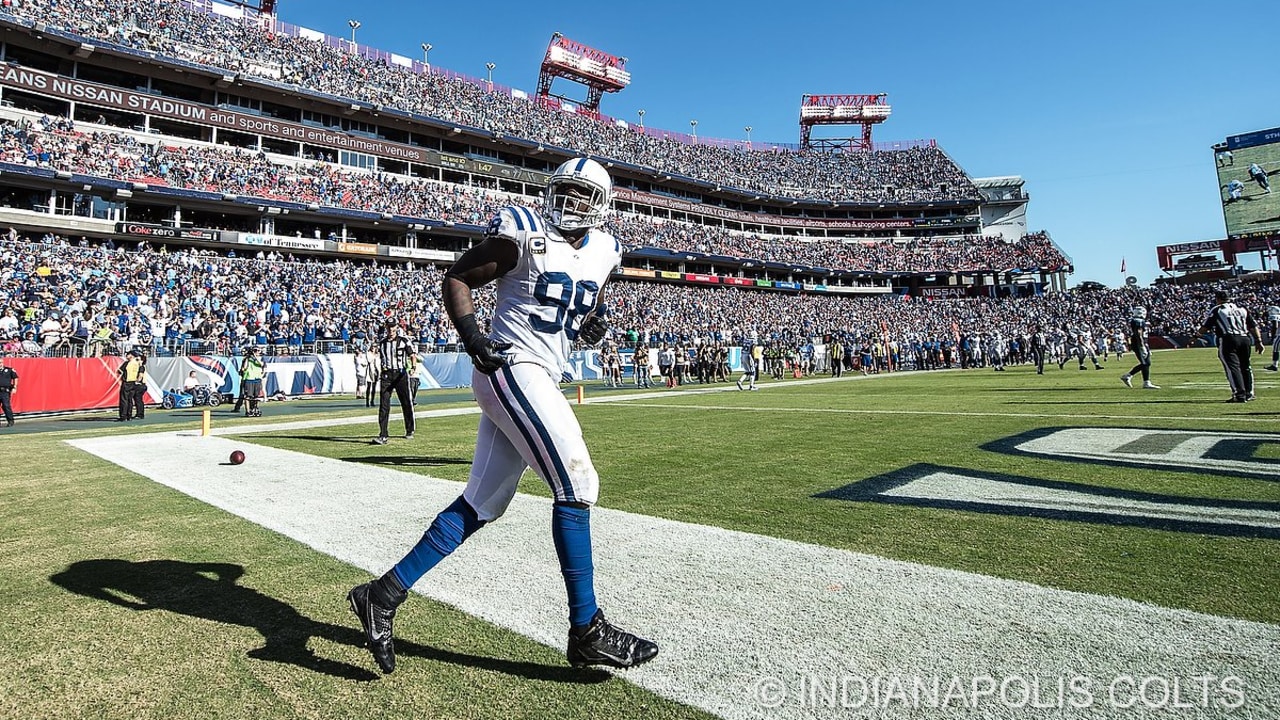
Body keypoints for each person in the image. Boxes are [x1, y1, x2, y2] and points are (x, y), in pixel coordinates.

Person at [347, 157, 657, 675]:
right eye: (565, 192)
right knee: (579, 485)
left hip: (539, 372)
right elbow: (458, 278)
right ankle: (586, 629)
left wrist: (593, 326)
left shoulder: (605, 250)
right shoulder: (525, 233)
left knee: (483, 503)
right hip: (510, 363)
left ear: (601, 207)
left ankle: (382, 594)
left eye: (582, 196)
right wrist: (473, 337)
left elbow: (586, 307)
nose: (571, 203)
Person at [1197, 289, 1264, 402]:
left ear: (1218, 299)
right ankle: (1249, 392)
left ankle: (1239, 394)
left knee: (1232, 367)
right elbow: (1253, 326)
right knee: (1246, 366)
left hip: (1229, 339)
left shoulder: (1218, 309)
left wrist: (1196, 335)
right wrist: (1258, 341)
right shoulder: (1241, 309)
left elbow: (1206, 326)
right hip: (1245, 338)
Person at [371, 317, 416, 444]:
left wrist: (413, 367)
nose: (391, 329)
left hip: (400, 374)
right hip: (386, 375)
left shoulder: (403, 341)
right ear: (386, 328)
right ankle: (383, 434)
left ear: (396, 327)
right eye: (389, 327)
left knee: (406, 402)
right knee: (384, 405)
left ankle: (409, 428)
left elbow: (412, 355)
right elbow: (380, 358)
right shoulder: (383, 343)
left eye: (393, 326)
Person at [1119, 306, 1159, 390]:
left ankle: (1131, 377)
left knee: (1146, 363)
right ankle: (1143, 381)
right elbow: (1138, 334)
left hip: (1142, 343)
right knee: (1145, 363)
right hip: (1138, 344)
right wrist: (1142, 346)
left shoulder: (1138, 321)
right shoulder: (1138, 321)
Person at [115, 350, 145, 422]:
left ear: (131, 355)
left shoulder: (127, 363)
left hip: (127, 382)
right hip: (134, 383)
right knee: (130, 400)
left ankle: (123, 416)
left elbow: (119, 371)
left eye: (127, 354)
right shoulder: (138, 364)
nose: (126, 356)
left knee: (124, 400)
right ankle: (129, 415)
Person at [239, 347, 265, 417]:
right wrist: (248, 357)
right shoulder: (247, 359)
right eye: (255, 351)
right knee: (248, 396)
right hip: (249, 378)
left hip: (257, 378)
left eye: (258, 351)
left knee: (256, 396)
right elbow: (244, 368)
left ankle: (254, 408)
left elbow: (262, 365)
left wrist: (255, 357)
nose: (256, 352)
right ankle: (248, 411)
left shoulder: (261, 358)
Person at [0, 355, 17, 427]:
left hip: (4, 391)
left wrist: (15, 387)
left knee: (6, 406)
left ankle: (10, 420)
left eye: (0, 362)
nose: (0, 364)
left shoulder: (9, 370)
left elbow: (15, 377)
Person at [1265, 306, 1280, 372]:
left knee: (1275, 348)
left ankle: (1275, 365)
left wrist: (1273, 336)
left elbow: (1275, 326)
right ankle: (1274, 365)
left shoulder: (1275, 316)